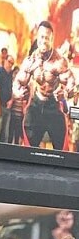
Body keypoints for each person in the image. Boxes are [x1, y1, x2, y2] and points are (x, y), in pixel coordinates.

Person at [13, 21, 74, 150]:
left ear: (51, 39)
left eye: (47, 38)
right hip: (36, 104)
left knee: (61, 148)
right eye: (42, 37)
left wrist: (66, 92)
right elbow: (17, 82)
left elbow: (71, 83)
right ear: (37, 37)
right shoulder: (31, 60)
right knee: (29, 145)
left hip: (53, 105)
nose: (44, 41)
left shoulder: (59, 61)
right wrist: (18, 92)